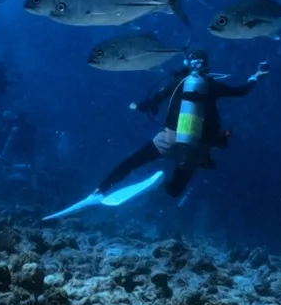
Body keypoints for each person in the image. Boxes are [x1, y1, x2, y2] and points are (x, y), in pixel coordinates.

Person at [99, 51, 267, 201]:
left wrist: (137, 106)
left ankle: (101, 189)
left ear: (187, 64)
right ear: (206, 66)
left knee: (131, 163)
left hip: (169, 138)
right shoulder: (213, 85)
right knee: (174, 191)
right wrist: (256, 76)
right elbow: (241, 91)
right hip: (198, 146)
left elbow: (150, 103)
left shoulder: (177, 83)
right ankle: (161, 187)